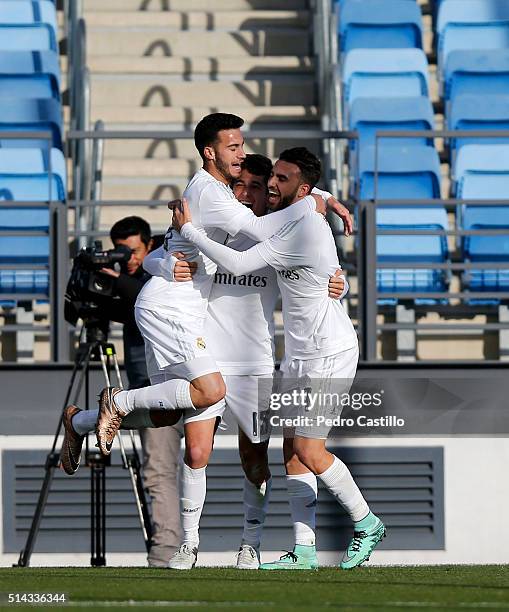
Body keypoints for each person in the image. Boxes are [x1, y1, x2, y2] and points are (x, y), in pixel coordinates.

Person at [94, 113, 350, 571]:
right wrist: (163, 267)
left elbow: (318, 272)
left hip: (254, 362)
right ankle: (189, 544)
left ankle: (250, 543)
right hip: (206, 353)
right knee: (197, 452)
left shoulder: (278, 236)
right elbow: (156, 255)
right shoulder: (215, 224)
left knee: (255, 457)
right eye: (241, 185)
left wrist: (339, 282)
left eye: (256, 185)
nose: (246, 192)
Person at [173, 147, 386, 571]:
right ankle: (304, 551)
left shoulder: (299, 229)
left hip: (328, 351)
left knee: (308, 449)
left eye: (280, 180)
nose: (271, 185)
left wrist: (190, 230)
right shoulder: (298, 213)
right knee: (292, 452)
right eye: (269, 179)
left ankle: (366, 522)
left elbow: (238, 258)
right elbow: (303, 198)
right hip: (298, 355)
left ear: (300, 190)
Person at [59, 216, 185, 568]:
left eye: (131, 252)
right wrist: (85, 296)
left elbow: (142, 298)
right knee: (158, 469)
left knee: (193, 464)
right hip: (149, 388)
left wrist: (119, 280)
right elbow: (122, 310)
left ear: (149, 246)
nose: (124, 259)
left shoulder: (164, 266)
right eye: (118, 253)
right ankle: (165, 553)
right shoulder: (127, 282)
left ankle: (80, 423)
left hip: (188, 379)